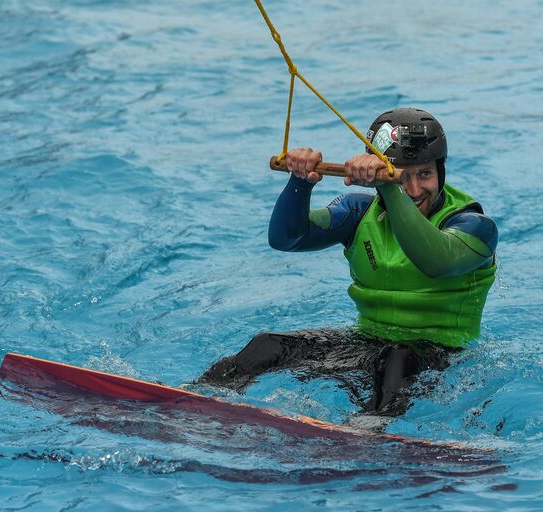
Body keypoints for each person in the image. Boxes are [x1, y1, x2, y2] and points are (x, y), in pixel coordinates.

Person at [199, 108, 497, 423]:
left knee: (399, 357)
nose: (413, 189)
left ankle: (370, 428)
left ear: (441, 171)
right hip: (367, 346)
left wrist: (389, 186)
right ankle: (199, 397)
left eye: (425, 173)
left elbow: (433, 260)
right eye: (402, 175)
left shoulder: (474, 226)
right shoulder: (358, 213)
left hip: (440, 357)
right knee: (266, 346)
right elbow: (286, 238)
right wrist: (301, 183)